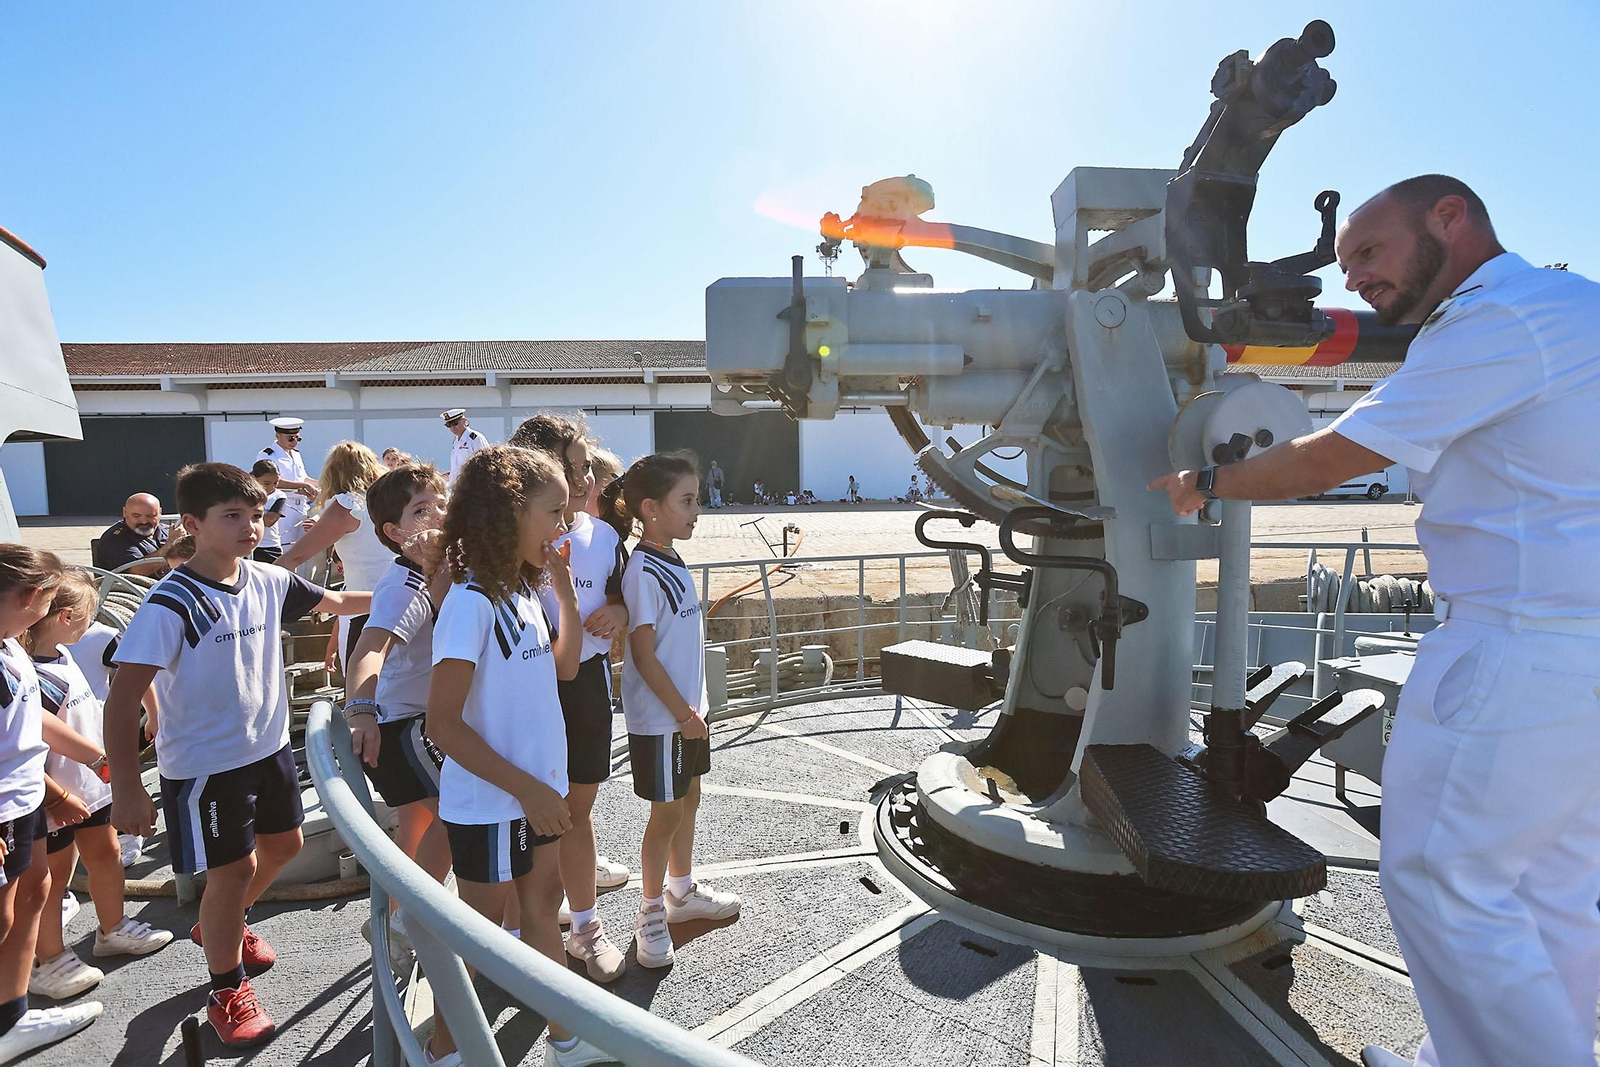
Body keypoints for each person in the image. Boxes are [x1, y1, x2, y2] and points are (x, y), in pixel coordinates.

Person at [1148, 175, 1600, 1067]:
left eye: (1369, 252)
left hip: (1513, 648)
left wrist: (1207, 483)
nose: (1353, 278)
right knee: (1553, 882)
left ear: (1450, 216)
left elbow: (1333, 454)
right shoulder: (1572, 303)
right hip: (1576, 653)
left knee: (1442, 879)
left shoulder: (1492, 320)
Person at [104, 462, 370, 1048]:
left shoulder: (268, 579)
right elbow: (122, 699)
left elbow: (340, 601)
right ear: (192, 524)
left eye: (256, 515)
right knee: (234, 871)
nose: (250, 528)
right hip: (206, 767)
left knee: (285, 847)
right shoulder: (171, 601)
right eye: (233, 517)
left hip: (268, 749)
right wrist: (125, 786)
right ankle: (226, 987)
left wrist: (425, 592)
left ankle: (219, 925)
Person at [423, 445, 607, 1067]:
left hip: (538, 795)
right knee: (481, 940)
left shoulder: (523, 592)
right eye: (553, 512)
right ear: (508, 513)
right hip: (495, 803)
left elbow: (566, 665)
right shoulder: (470, 603)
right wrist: (528, 790)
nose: (562, 527)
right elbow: (442, 724)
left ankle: (565, 1040)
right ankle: (447, 1051)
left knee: (541, 915)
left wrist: (563, 591)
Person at [510, 416, 631, 983]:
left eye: (586, 468)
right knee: (522, 818)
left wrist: (623, 614)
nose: (586, 480)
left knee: (576, 816)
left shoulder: (604, 536)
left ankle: (584, 930)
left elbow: (620, 600)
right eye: (574, 468)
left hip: (583, 687)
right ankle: (512, 935)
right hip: (527, 691)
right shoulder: (509, 543)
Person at [24, 570, 171, 1002]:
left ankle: (113, 927)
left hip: (91, 786)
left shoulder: (61, 654)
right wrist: (57, 793)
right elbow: (29, 744)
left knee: (106, 855)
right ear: (66, 617)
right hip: (55, 796)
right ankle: (49, 957)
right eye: (88, 616)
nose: (92, 625)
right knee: (51, 878)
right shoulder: (32, 672)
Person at [619, 452, 741, 970]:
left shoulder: (670, 557)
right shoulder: (643, 569)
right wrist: (683, 713)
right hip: (664, 718)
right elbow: (643, 655)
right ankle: (650, 912)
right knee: (665, 812)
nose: (698, 510)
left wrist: (696, 711)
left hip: (688, 713)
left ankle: (681, 890)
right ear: (650, 508)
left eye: (697, 499)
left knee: (689, 798)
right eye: (686, 501)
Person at [341, 463, 452, 959]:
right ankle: (413, 914)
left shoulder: (432, 573)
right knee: (460, 811)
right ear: (394, 531)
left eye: (442, 503)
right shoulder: (407, 584)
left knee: (417, 825)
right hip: (402, 726)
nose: (439, 515)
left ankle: (391, 917)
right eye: (422, 510)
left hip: (407, 723)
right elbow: (370, 646)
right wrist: (360, 709)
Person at [0, 546, 102, 1059]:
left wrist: (83, 769)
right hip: (3, 810)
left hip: (23, 801)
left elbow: (31, 719)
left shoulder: (12, 644)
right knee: (2, 916)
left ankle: (11, 1014)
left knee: (36, 891)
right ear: (31, 597)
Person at [274, 442, 392, 670]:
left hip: (363, 612)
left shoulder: (347, 506)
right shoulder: (390, 505)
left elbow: (295, 556)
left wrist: (257, 586)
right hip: (402, 603)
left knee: (362, 693)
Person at [257, 418, 318, 554]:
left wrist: (323, 483)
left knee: (302, 549)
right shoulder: (268, 455)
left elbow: (304, 478)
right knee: (285, 548)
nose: (295, 442)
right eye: (291, 439)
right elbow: (270, 481)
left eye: (298, 438)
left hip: (302, 506)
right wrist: (303, 485)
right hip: (283, 507)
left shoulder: (296, 455)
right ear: (277, 436)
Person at [91, 495, 169, 576]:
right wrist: (170, 546)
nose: (144, 521)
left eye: (150, 516)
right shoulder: (115, 540)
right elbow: (138, 572)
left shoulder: (166, 531)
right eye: (136, 516)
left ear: (160, 513)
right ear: (125, 512)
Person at [248, 461, 288, 564]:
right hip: (249, 544)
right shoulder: (246, 495)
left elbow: (270, 520)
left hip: (269, 546)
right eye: (266, 483)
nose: (271, 487)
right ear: (254, 478)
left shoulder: (279, 496)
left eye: (276, 483)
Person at [442, 409, 489, 486]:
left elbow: (485, 464)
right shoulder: (456, 441)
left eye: (455, 423)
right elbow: (457, 468)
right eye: (448, 425)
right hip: (456, 487)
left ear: (464, 421)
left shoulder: (475, 438)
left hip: (471, 486)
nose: (452, 427)